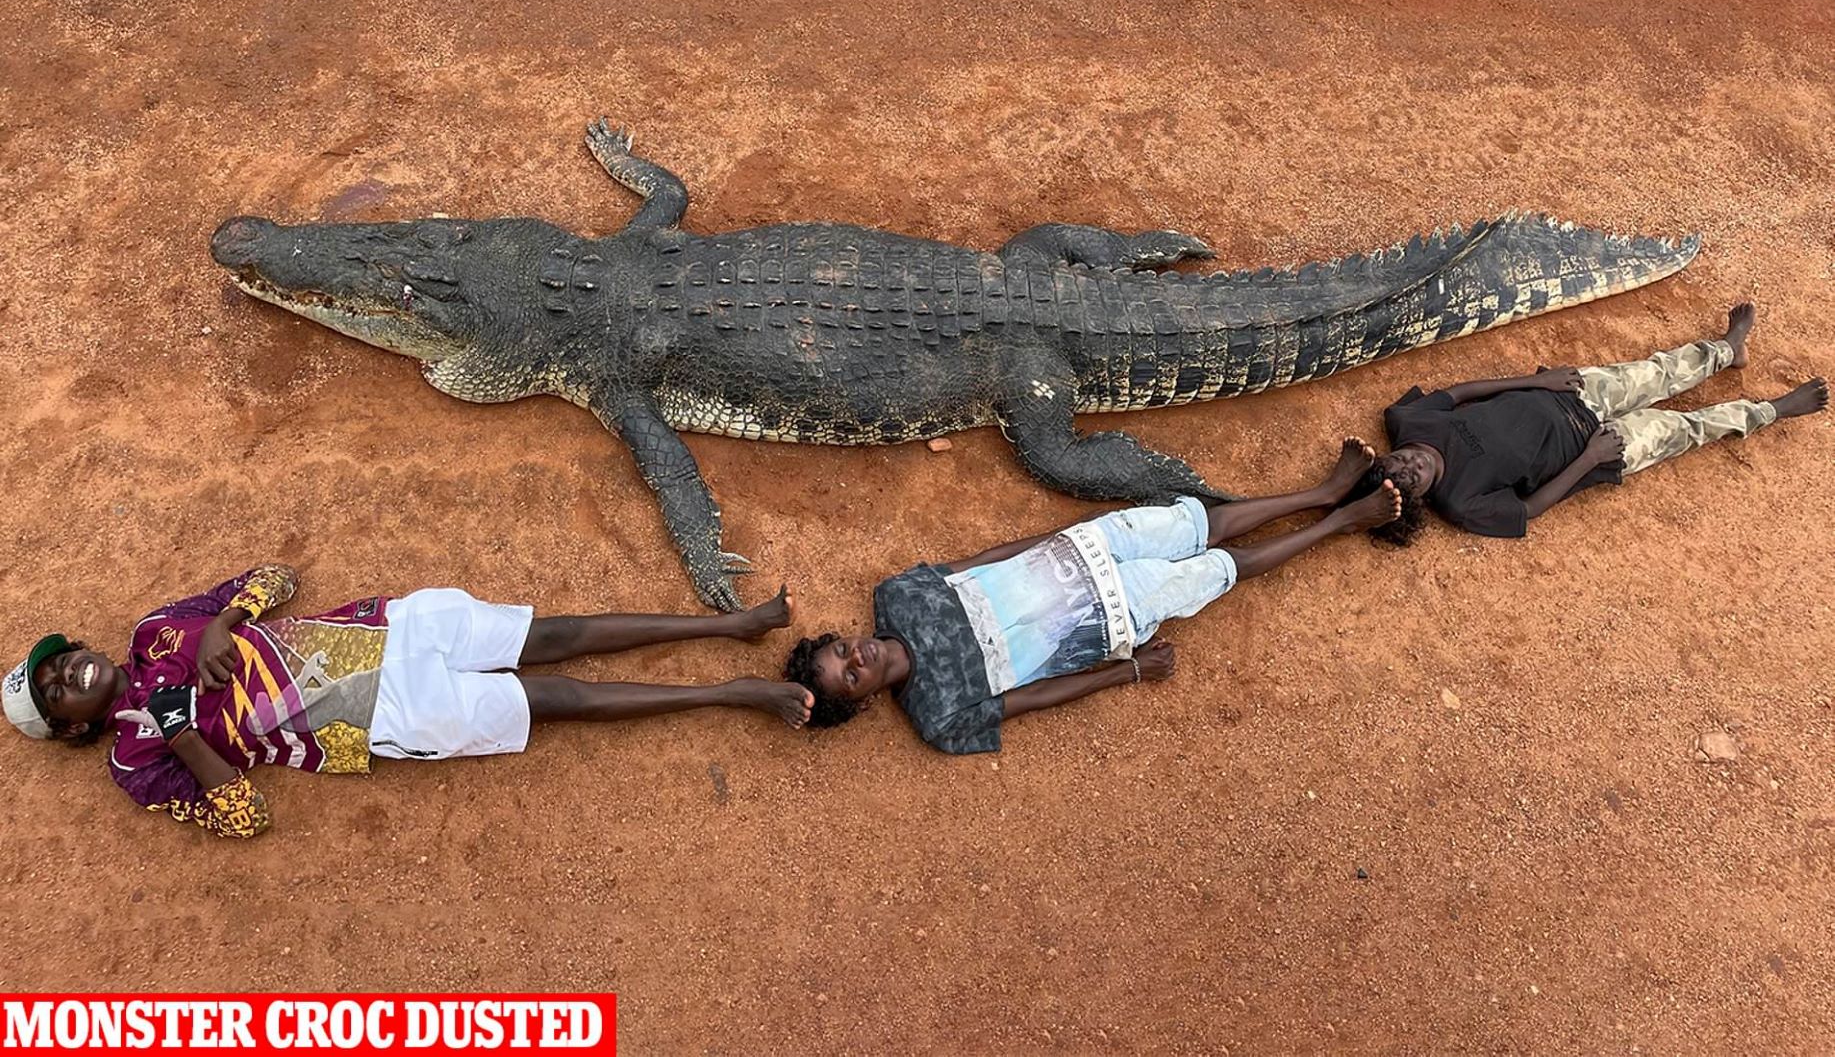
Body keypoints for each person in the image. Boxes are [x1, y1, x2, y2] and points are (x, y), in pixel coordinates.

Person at [2, 568, 810, 838]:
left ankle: (730, 624)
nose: (63, 672)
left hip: (387, 627)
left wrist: (224, 621)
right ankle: (729, 694)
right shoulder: (133, 763)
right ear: (71, 728)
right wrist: (182, 738)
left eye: (55, 659)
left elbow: (275, 578)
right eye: (50, 692)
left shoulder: (155, 633)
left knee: (555, 634)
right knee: (562, 698)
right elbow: (248, 819)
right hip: (374, 719)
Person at [781, 443, 1402, 753]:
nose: (857, 655)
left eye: (841, 649)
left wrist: (1066, 534)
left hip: (1083, 548)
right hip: (1111, 615)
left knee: (1198, 526)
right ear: (863, 701)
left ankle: (1321, 493)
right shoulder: (937, 717)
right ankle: (1338, 525)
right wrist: (1127, 670)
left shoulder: (896, 595)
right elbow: (1036, 697)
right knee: (1222, 565)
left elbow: (986, 559)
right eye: (851, 675)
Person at [1343, 302, 1828, 544]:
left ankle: (1727, 350)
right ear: (1423, 495)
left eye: (1396, 461)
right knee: (1687, 427)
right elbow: (1530, 509)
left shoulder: (1407, 420)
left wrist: (1540, 381)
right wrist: (1591, 458)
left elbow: (1466, 390)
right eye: (1413, 476)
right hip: (1597, 445)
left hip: (1569, 393)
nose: (1411, 462)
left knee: (1655, 372)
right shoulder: (1462, 504)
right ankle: (1772, 411)